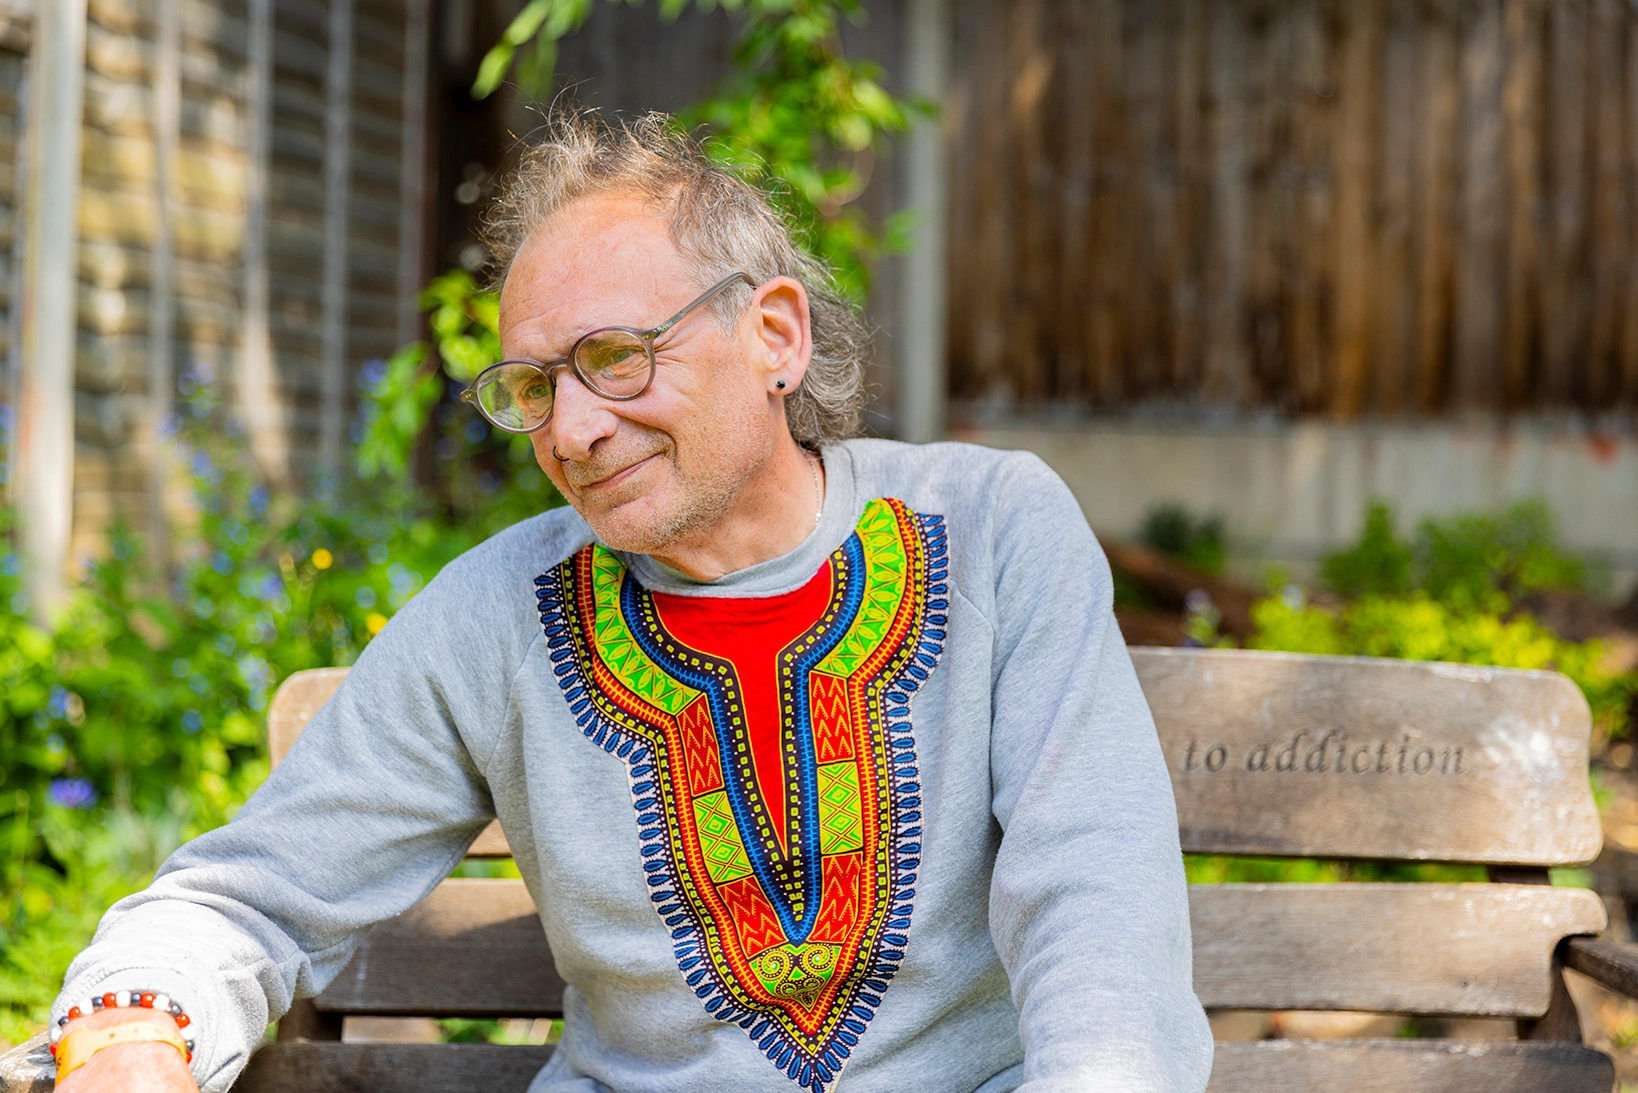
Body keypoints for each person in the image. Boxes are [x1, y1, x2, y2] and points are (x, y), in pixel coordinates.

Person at [49, 112, 1211, 1093]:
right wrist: (134, 1027)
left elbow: (1097, 912)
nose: (571, 428)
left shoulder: (993, 526)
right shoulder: (498, 616)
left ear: (775, 336)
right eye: (535, 386)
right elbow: (244, 894)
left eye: (613, 356)